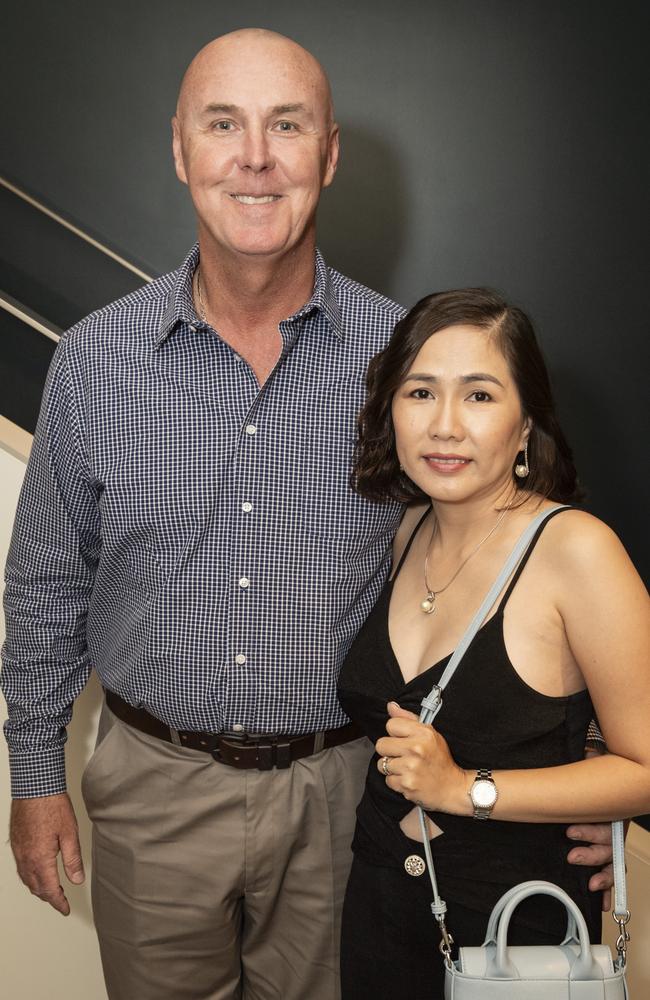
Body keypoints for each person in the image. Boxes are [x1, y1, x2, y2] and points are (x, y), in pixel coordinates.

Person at [1, 29, 614, 1000]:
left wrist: (584, 766)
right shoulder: (93, 362)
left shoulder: (405, 365)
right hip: (152, 794)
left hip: (348, 802)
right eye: (223, 125)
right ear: (180, 150)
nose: (254, 156)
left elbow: (502, 552)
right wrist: (33, 775)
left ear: (326, 154)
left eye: (284, 126)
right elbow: (44, 585)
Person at [338, 287, 650, 998]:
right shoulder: (407, 531)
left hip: (515, 932)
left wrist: (463, 788)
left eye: (479, 396)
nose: (445, 425)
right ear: (391, 408)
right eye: (421, 391)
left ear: (526, 420)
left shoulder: (577, 550)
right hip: (382, 908)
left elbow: (647, 764)